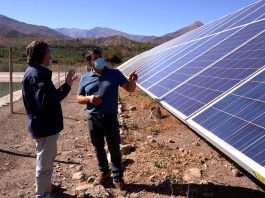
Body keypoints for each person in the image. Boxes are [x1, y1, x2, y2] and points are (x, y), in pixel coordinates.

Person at [77, 49, 137, 193]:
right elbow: (78, 98)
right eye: (96, 58)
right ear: (89, 62)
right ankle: (104, 174)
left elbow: (129, 89)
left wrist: (132, 81)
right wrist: (89, 99)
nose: (100, 60)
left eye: (101, 57)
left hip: (110, 118)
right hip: (93, 119)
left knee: (114, 148)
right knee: (98, 148)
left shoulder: (114, 73)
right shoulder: (85, 78)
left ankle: (118, 177)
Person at [22, 41, 77, 198]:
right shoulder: (36, 75)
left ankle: (46, 187)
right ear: (43, 56)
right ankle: (42, 194)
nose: (50, 56)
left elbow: (46, 99)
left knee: (47, 158)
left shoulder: (35, 72)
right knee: (44, 164)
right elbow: (47, 102)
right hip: (44, 127)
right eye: (49, 53)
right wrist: (66, 85)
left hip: (44, 125)